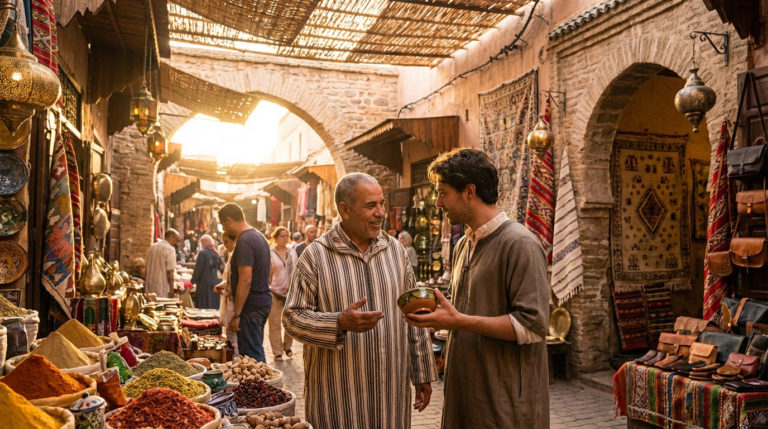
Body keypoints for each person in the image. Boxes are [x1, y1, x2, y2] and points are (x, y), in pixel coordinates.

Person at [405, 148, 550, 428]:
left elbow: (532, 327)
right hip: (466, 397)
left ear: (469, 191)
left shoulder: (520, 244)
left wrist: (458, 320)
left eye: (443, 193)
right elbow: (469, 312)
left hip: (505, 405)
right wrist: (439, 320)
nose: (437, 203)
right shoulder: (463, 245)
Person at [282, 172, 437, 429]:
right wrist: (338, 322)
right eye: (370, 206)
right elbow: (292, 317)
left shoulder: (395, 251)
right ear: (345, 209)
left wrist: (423, 372)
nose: (380, 213)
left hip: (391, 396)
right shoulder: (316, 256)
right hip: (338, 399)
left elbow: (415, 311)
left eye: (382, 204)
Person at [218, 203, 272, 362]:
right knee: (255, 349)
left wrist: (237, 314)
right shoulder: (259, 236)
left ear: (228, 220)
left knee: (252, 357)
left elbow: (245, 279)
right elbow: (271, 269)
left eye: (222, 224)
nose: (224, 229)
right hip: (262, 301)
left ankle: (261, 386)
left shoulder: (245, 240)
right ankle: (260, 385)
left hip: (251, 306)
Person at [268, 226, 297, 360]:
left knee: (290, 321)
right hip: (274, 291)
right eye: (282, 236)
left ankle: (288, 346)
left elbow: (297, 270)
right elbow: (268, 274)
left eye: (287, 236)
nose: (285, 238)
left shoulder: (292, 252)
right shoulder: (270, 253)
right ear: (276, 238)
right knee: (274, 323)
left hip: (290, 292)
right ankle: (277, 351)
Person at [215, 233, 238, 356]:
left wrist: (227, 289)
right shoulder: (231, 255)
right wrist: (223, 285)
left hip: (235, 302)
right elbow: (229, 278)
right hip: (229, 300)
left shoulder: (237, 256)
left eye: (227, 242)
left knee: (235, 336)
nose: (224, 245)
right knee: (230, 334)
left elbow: (238, 281)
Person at [145, 229, 179, 298]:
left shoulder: (152, 247)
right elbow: (170, 271)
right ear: (171, 237)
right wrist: (171, 289)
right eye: (176, 239)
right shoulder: (170, 249)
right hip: (161, 286)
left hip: (150, 285)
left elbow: (146, 268)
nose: (176, 243)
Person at [192, 234, 222, 309]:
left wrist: (193, 281)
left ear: (205, 243)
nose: (201, 245)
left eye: (202, 243)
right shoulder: (216, 253)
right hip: (215, 282)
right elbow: (221, 268)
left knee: (203, 305)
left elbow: (198, 269)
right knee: (213, 304)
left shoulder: (202, 253)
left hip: (204, 283)